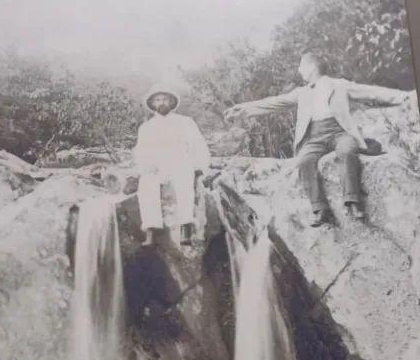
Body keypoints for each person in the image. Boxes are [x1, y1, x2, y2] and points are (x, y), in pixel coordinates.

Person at [224, 52, 413, 227]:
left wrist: (405, 97)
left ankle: (352, 201)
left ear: (312, 67)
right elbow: (274, 102)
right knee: (304, 161)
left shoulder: (339, 85)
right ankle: (320, 209)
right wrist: (243, 109)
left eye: (301, 66)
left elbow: (369, 91)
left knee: (347, 151)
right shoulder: (302, 92)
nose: (299, 70)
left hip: (339, 132)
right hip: (314, 137)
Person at [133, 84, 211, 246]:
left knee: (184, 179)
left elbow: (198, 145)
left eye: (165, 99)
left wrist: (200, 167)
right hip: (157, 166)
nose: (161, 103)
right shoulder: (146, 127)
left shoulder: (185, 122)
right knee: (147, 183)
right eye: (158, 100)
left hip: (180, 162)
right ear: (153, 104)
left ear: (171, 102)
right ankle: (151, 229)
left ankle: (185, 227)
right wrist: (146, 165)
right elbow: (141, 152)